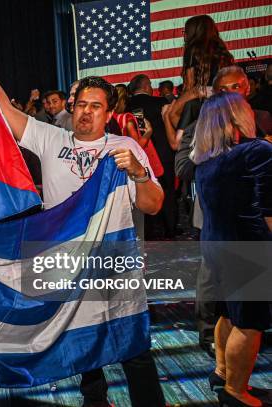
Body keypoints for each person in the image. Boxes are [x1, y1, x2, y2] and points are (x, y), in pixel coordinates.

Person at [0, 37, 165, 407]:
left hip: (115, 263)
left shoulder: (124, 147)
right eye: (80, 105)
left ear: (108, 113)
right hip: (68, 262)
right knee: (82, 344)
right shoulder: (49, 136)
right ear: (71, 109)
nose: (85, 112)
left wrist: (138, 173)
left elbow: (154, 206)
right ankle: (95, 402)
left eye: (96, 106)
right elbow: (4, 111)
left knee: (133, 345)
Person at [190, 91, 271, 407]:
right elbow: (268, 210)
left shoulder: (206, 162)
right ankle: (236, 392)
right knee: (250, 322)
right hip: (249, 248)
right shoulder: (257, 151)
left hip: (217, 246)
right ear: (237, 115)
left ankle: (223, 373)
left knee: (227, 313)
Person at [127, 74, 177, 239]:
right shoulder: (161, 102)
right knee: (168, 192)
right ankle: (170, 230)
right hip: (163, 155)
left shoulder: (126, 105)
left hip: (138, 158)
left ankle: (149, 232)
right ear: (147, 86)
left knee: (142, 193)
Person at [167, 14, 234, 129]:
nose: (184, 35)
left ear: (193, 32)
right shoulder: (222, 51)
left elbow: (189, 85)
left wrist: (177, 104)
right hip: (225, 98)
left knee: (170, 114)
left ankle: (189, 140)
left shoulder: (193, 49)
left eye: (185, 31)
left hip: (201, 93)